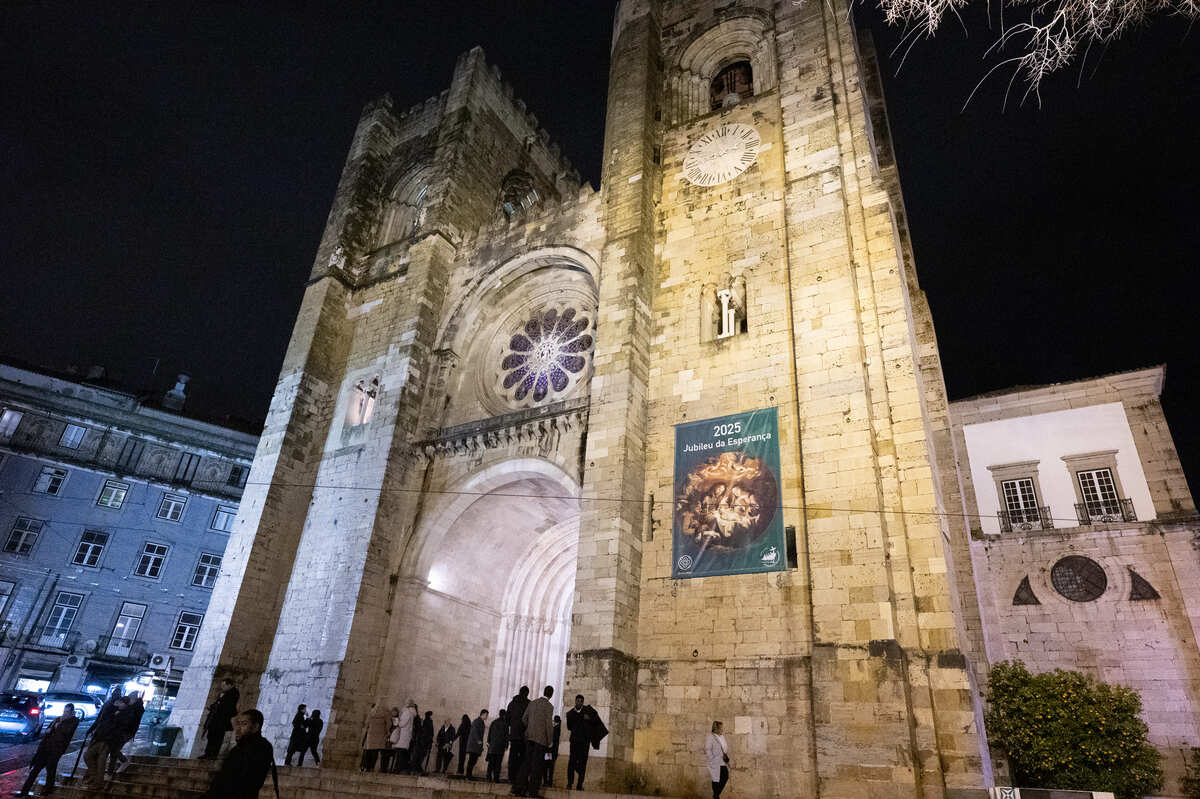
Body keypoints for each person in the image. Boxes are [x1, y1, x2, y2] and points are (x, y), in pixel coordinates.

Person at [199, 709, 278, 799]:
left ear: (256, 727)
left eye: (244, 724)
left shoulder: (261, 747)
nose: (238, 729)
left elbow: (245, 783)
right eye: (238, 724)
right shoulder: (238, 748)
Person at [16, 702, 78, 796]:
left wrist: (57, 726)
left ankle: (48, 791)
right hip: (45, 748)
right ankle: (24, 791)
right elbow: (48, 730)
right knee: (35, 770)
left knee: (51, 770)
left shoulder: (74, 721)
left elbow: (66, 732)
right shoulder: (58, 719)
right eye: (64, 711)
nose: (65, 713)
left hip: (56, 749)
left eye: (67, 712)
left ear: (72, 712)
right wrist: (50, 729)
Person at [513, 685, 555, 799]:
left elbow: (524, 719)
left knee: (526, 763)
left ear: (544, 692)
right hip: (541, 740)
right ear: (551, 694)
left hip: (529, 738)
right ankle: (532, 792)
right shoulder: (549, 706)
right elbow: (548, 725)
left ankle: (518, 789)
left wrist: (530, 728)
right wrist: (550, 740)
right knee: (537, 766)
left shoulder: (533, 703)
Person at [82, 690, 127, 789]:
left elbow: (116, 726)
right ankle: (94, 777)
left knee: (100, 761)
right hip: (99, 736)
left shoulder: (121, 712)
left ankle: (98, 782)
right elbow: (100, 719)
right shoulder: (109, 706)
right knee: (88, 756)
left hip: (107, 740)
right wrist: (92, 729)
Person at [107, 691, 144, 774]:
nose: (129, 699)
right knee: (113, 749)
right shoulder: (131, 707)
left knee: (114, 750)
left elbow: (131, 721)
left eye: (130, 698)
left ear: (134, 699)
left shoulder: (137, 708)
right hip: (121, 731)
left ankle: (113, 770)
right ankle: (115, 767)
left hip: (126, 732)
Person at [566, 694, 598, 789]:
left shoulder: (588, 711)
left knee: (583, 762)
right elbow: (569, 727)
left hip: (584, 742)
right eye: (578, 701)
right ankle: (570, 783)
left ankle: (580, 784)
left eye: (581, 701)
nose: (579, 703)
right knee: (572, 762)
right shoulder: (570, 713)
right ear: (575, 701)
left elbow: (595, 721)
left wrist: (589, 719)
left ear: (583, 702)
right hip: (574, 741)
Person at [202, 679, 239, 759]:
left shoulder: (233, 693)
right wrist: (213, 706)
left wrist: (218, 703)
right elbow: (218, 703)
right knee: (211, 735)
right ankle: (208, 753)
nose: (222, 687)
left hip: (222, 720)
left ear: (229, 685)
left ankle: (213, 754)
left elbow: (226, 706)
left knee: (217, 737)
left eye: (224, 685)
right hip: (216, 719)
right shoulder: (224, 693)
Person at [505, 686, 530, 783]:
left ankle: (511, 777)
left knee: (513, 756)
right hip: (524, 736)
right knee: (522, 757)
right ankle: (520, 777)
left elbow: (507, 719)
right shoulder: (529, 704)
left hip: (514, 735)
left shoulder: (512, 703)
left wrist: (512, 728)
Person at [361, 702, 390, 771]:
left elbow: (366, 723)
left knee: (369, 751)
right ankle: (372, 767)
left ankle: (367, 767)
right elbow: (388, 724)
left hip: (371, 734)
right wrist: (387, 731)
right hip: (380, 734)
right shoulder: (385, 714)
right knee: (375, 751)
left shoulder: (371, 713)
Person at [389, 701, 416, 773]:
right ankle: (399, 769)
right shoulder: (411, 713)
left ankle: (397, 769)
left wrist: (396, 719)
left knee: (400, 754)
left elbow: (401, 724)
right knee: (402, 753)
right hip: (405, 736)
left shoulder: (407, 712)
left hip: (403, 736)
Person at [705, 720, 730, 799]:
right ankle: (716, 796)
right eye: (721, 728)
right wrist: (712, 759)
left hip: (722, 760)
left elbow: (724, 748)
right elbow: (707, 749)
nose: (722, 729)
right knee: (716, 778)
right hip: (715, 761)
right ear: (716, 728)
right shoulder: (710, 737)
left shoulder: (722, 737)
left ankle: (716, 795)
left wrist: (725, 755)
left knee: (725, 776)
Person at [485, 708, 508, 783]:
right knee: (498, 763)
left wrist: (488, 742)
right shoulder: (505, 724)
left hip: (492, 746)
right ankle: (496, 778)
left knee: (491, 763)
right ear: (504, 715)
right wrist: (506, 745)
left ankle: (488, 777)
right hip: (500, 747)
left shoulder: (494, 722)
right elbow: (506, 736)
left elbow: (490, 733)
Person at [464, 709, 488, 779]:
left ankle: (469, 774)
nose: (487, 717)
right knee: (472, 760)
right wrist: (478, 741)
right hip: (474, 745)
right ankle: (468, 775)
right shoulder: (477, 721)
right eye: (486, 715)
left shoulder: (481, 722)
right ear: (483, 714)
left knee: (473, 760)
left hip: (476, 745)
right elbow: (474, 731)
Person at [546, 715, 561, 787]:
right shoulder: (558, 728)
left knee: (547, 765)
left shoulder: (554, 728)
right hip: (554, 751)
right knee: (551, 766)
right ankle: (550, 782)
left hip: (549, 750)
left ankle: (546, 781)